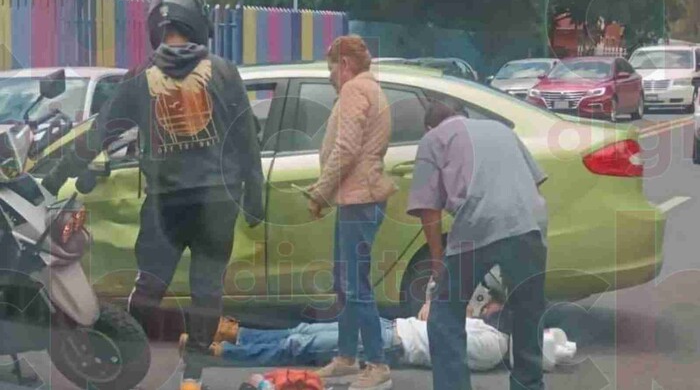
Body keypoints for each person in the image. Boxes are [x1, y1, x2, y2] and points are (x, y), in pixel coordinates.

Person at [40, 0, 264, 389]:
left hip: (165, 205)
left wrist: (56, 177)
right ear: (198, 25)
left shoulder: (142, 76)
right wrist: (255, 198)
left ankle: (121, 358)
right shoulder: (225, 73)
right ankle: (192, 377)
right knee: (206, 289)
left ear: (158, 30)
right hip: (217, 202)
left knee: (149, 285)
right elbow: (247, 139)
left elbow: (101, 131)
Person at [407, 98, 548, 390]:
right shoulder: (500, 129)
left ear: (429, 126)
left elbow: (428, 210)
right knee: (527, 314)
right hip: (530, 225)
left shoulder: (432, 139)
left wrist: (437, 262)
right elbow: (535, 182)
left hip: (477, 223)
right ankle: (529, 385)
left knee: (444, 313)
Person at [303, 35, 397, 390]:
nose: (329, 76)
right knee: (345, 282)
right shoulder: (370, 88)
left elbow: (346, 148)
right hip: (358, 198)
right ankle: (346, 357)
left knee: (354, 285)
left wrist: (319, 194)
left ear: (345, 64)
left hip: (358, 199)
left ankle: (376, 363)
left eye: (331, 67)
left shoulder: (355, 90)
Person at [178, 290, 511, 372]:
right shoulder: (487, 330)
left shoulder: (493, 347)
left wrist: (442, 314)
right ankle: (240, 334)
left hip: (392, 343)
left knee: (301, 345)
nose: (489, 306)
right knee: (305, 330)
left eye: (495, 306)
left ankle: (227, 352)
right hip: (391, 328)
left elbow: (448, 345)